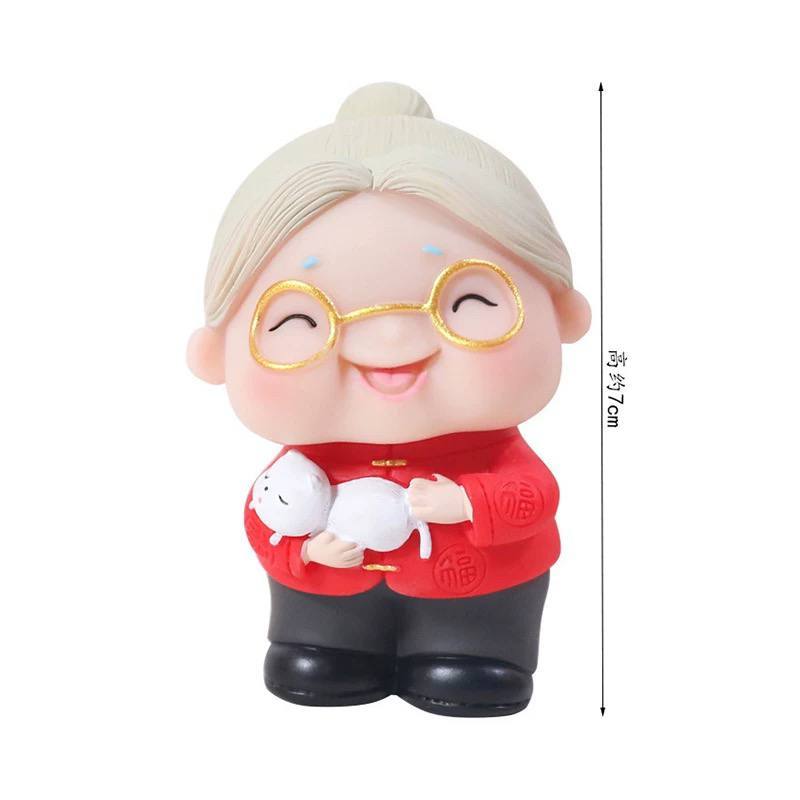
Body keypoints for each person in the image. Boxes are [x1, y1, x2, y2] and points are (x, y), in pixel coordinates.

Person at [187, 82, 590, 716]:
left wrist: (469, 500)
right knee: (319, 650)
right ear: (215, 354)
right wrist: (302, 551)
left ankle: (478, 655)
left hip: (477, 591)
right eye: (303, 319)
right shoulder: (303, 462)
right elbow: (265, 514)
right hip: (326, 593)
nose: (391, 343)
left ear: (562, 315)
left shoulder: (492, 450)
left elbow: (533, 495)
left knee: (472, 654)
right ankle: (322, 649)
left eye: (466, 303)